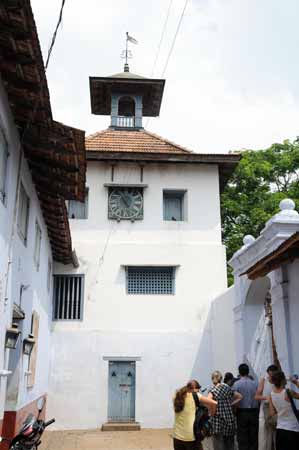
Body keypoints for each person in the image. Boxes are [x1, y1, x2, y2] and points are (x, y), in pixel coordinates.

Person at [173, 379, 217, 450]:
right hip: (190, 437)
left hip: (177, 437)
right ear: (194, 388)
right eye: (198, 389)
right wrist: (212, 414)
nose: (199, 391)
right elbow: (214, 403)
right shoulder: (195, 395)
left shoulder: (176, 395)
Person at [208, 371, 242, 450]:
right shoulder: (227, 387)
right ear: (221, 378)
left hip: (217, 420)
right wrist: (231, 405)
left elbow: (209, 401)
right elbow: (240, 396)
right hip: (229, 418)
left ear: (212, 379)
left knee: (218, 443)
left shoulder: (213, 389)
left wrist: (212, 413)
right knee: (230, 443)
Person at [269, 371, 299, 449]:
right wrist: (296, 382)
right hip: (293, 428)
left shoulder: (271, 394)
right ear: (282, 380)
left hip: (280, 429)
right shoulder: (288, 392)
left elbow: (272, 413)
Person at [233, 363, 259, 450]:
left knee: (243, 437)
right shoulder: (255, 384)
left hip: (242, 413)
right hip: (254, 412)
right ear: (248, 372)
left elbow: (234, 399)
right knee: (254, 436)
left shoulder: (236, 384)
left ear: (239, 372)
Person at [254, 364, 278, 450]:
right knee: (263, 436)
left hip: (276, 411)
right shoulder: (264, 380)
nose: (270, 376)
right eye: (269, 374)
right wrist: (267, 398)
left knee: (276, 437)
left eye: (272, 375)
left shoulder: (279, 381)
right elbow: (256, 396)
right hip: (264, 411)